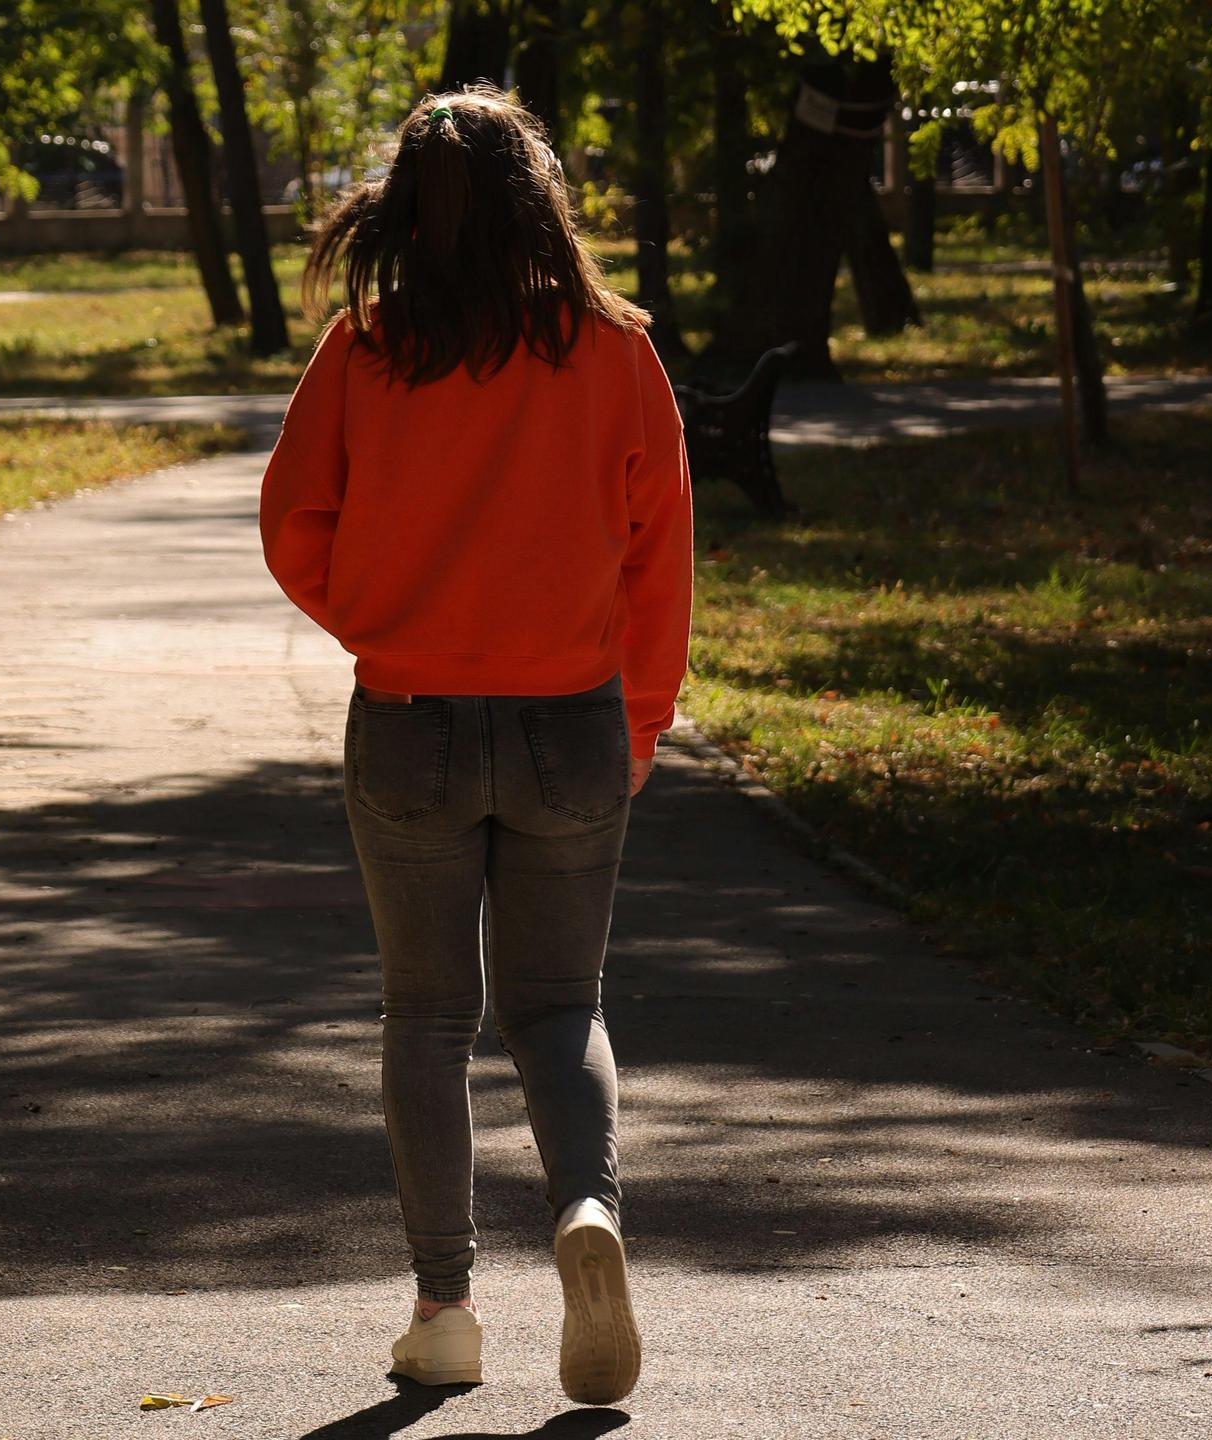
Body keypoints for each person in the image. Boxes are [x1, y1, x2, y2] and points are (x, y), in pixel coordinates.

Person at [257, 85, 692, 1405]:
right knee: (560, 1011)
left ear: (403, 209)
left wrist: (386, 623)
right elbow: (661, 556)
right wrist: (640, 721)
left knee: (426, 1020)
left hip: (410, 726)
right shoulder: (616, 354)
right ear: (537, 204)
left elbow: (293, 528)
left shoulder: (366, 349)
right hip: (571, 723)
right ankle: (589, 1212)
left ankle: (445, 1309)